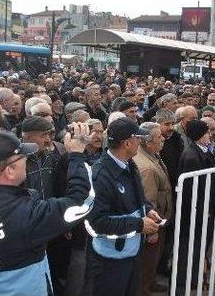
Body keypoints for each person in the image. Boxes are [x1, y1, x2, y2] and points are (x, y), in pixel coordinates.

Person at [0, 127, 93, 295]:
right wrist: (77, 155)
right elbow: (79, 203)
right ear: (9, 171)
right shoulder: (27, 213)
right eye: (23, 157)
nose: (27, 161)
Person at [85, 117, 163, 296]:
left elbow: (138, 196)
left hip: (131, 252)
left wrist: (148, 209)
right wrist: (139, 224)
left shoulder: (129, 163)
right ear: (127, 143)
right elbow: (97, 223)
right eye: (138, 138)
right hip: (110, 261)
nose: (140, 142)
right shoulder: (100, 175)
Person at [176, 119, 215, 290]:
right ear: (199, 135)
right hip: (196, 213)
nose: (210, 135)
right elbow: (191, 191)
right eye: (207, 132)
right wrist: (203, 210)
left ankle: (197, 278)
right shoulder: (192, 157)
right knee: (191, 250)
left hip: (205, 209)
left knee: (201, 248)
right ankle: (184, 285)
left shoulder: (205, 150)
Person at [133, 122, 172, 295]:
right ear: (148, 142)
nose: (163, 138)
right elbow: (149, 200)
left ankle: (150, 282)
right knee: (148, 259)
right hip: (154, 221)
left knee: (153, 259)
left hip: (160, 217)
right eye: (158, 137)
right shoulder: (147, 168)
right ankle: (143, 288)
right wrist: (153, 230)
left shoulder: (152, 155)